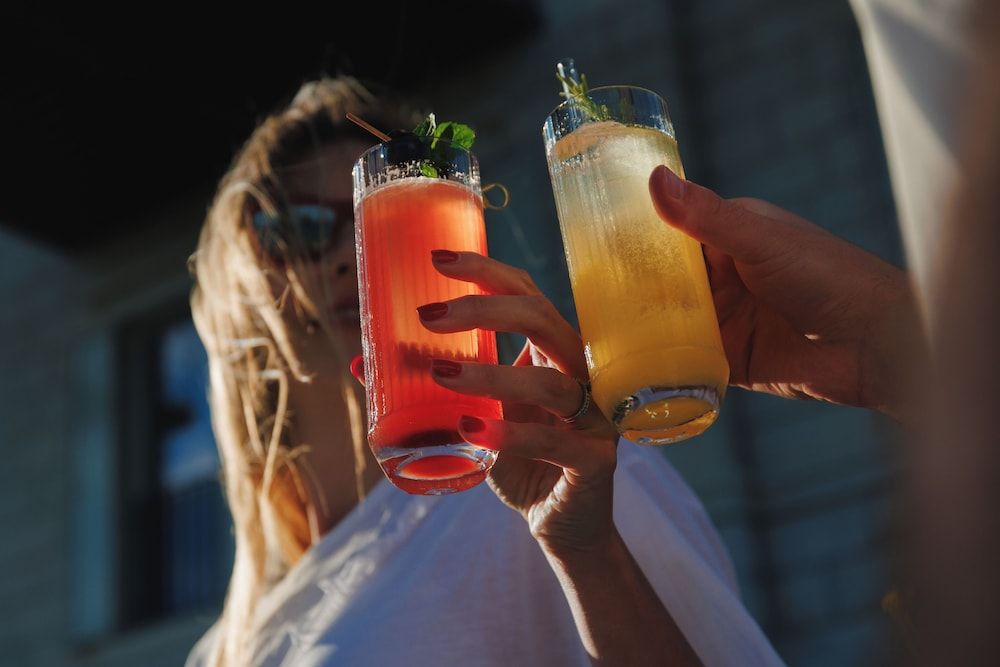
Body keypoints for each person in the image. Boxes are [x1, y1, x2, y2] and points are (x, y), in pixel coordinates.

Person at [185, 75, 784, 667]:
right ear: (234, 282)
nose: (351, 252)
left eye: (377, 209)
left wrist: (589, 554)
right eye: (301, 228)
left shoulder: (563, 472)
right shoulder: (229, 643)